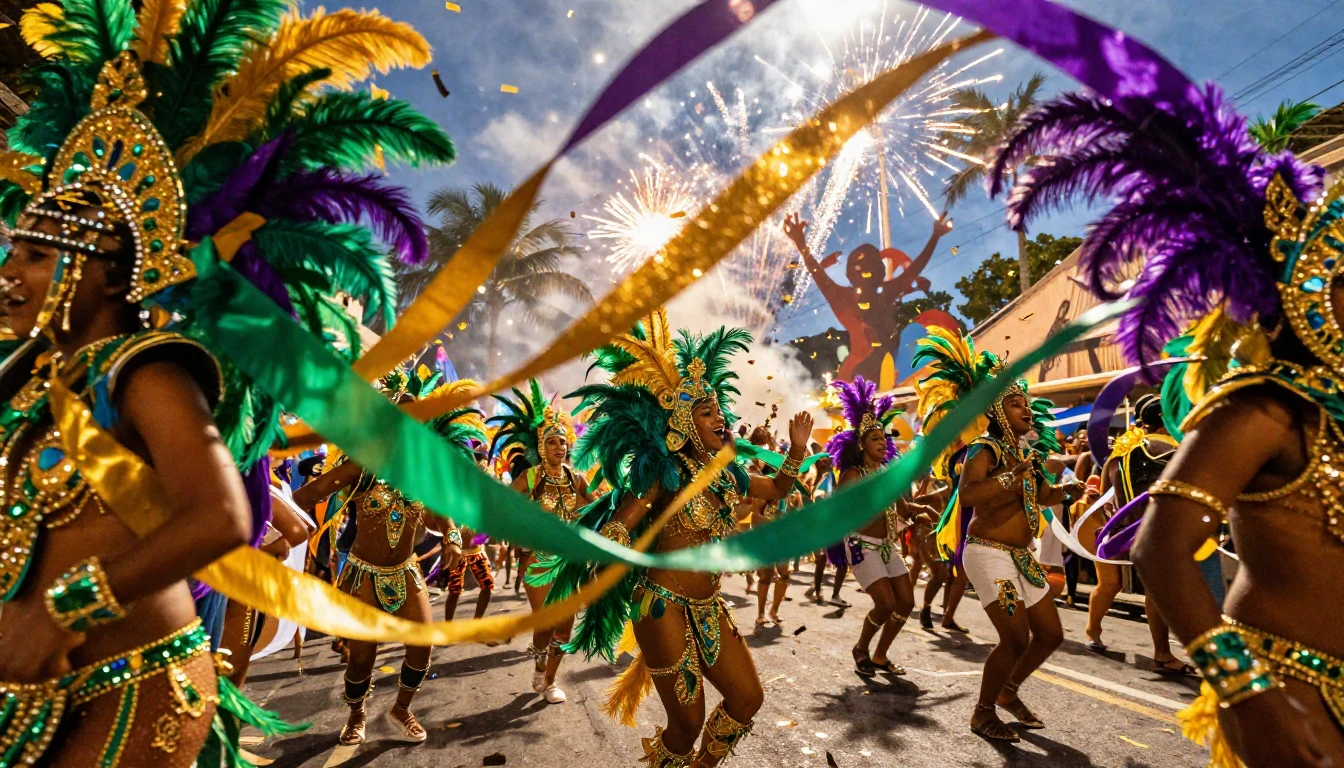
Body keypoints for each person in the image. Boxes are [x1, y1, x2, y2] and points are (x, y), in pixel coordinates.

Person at [0, 0, 451, 748]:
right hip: (37, 679)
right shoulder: (35, 379)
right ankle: (356, 705)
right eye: (16, 250)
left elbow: (228, 516)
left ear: (112, 276)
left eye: (41, 254)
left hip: (127, 685)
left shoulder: (144, 369)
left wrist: (64, 609)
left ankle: (383, 707)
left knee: (412, 641)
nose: (12, 272)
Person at [978, 23, 1344, 761]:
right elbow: (1159, 549)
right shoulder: (1261, 407)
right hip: (1286, 680)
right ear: (1306, 293)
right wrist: (1246, 689)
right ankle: (991, 700)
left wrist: (1046, 492)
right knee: (1029, 635)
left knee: (1038, 633)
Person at [532, 310, 814, 767]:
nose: (720, 417)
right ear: (683, 425)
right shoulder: (668, 473)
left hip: (710, 605)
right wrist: (604, 549)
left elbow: (777, 488)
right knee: (687, 724)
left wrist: (798, 449)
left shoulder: (728, 475)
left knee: (747, 699)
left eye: (719, 409)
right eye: (707, 412)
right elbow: (626, 518)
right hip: (661, 604)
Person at [293, 371, 480, 746]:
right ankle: (357, 713)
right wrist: (322, 493)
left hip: (406, 570)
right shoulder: (362, 466)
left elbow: (441, 514)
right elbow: (305, 497)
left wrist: (453, 539)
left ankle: (400, 709)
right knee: (362, 658)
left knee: (422, 644)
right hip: (363, 574)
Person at [915, 328, 1081, 743]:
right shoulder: (984, 449)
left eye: (1026, 401)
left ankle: (1008, 692)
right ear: (996, 409)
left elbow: (1042, 496)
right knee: (1015, 637)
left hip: (1021, 556)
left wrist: (1067, 492)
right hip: (987, 553)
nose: (1025, 408)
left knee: (1050, 635)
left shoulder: (1027, 454)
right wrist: (1009, 477)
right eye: (1014, 401)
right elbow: (968, 493)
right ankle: (983, 712)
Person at [491, 379, 594, 704]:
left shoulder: (577, 478)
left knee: (565, 626)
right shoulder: (531, 477)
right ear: (542, 446)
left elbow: (594, 509)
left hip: (568, 560)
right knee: (547, 619)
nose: (559, 448)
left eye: (562, 443)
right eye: (552, 443)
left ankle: (548, 679)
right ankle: (539, 665)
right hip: (536, 559)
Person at [826, 376, 936, 677]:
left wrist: (923, 510)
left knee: (906, 602)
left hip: (887, 546)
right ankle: (861, 648)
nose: (882, 442)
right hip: (861, 546)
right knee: (885, 603)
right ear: (861, 445)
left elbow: (903, 508)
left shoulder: (888, 472)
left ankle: (880, 655)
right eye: (875, 439)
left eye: (883, 438)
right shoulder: (852, 475)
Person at [1084, 395, 1190, 675]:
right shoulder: (1169, 449)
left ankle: (1093, 632)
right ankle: (1163, 653)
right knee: (1159, 590)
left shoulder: (1120, 452)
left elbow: (1105, 499)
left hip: (1118, 531)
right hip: (1156, 532)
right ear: (1168, 421)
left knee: (1108, 585)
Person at [782, 211, 953, 381]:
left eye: (871, 264)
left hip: (895, 366)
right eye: (859, 266)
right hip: (864, 374)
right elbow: (817, 273)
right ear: (850, 274)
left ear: (880, 270)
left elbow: (916, 267)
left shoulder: (886, 292)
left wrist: (935, 236)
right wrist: (800, 243)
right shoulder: (846, 297)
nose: (865, 271)